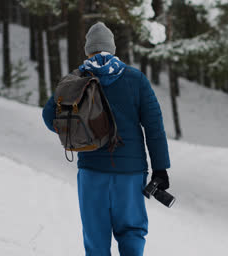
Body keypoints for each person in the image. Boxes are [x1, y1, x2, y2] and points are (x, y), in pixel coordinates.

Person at [42, 22, 171, 256]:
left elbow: (48, 115)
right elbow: (154, 127)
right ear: (112, 49)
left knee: (96, 236)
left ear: (88, 50)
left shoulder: (75, 79)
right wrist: (160, 169)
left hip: (92, 171)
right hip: (131, 173)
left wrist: (77, 133)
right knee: (132, 231)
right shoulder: (135, 79)